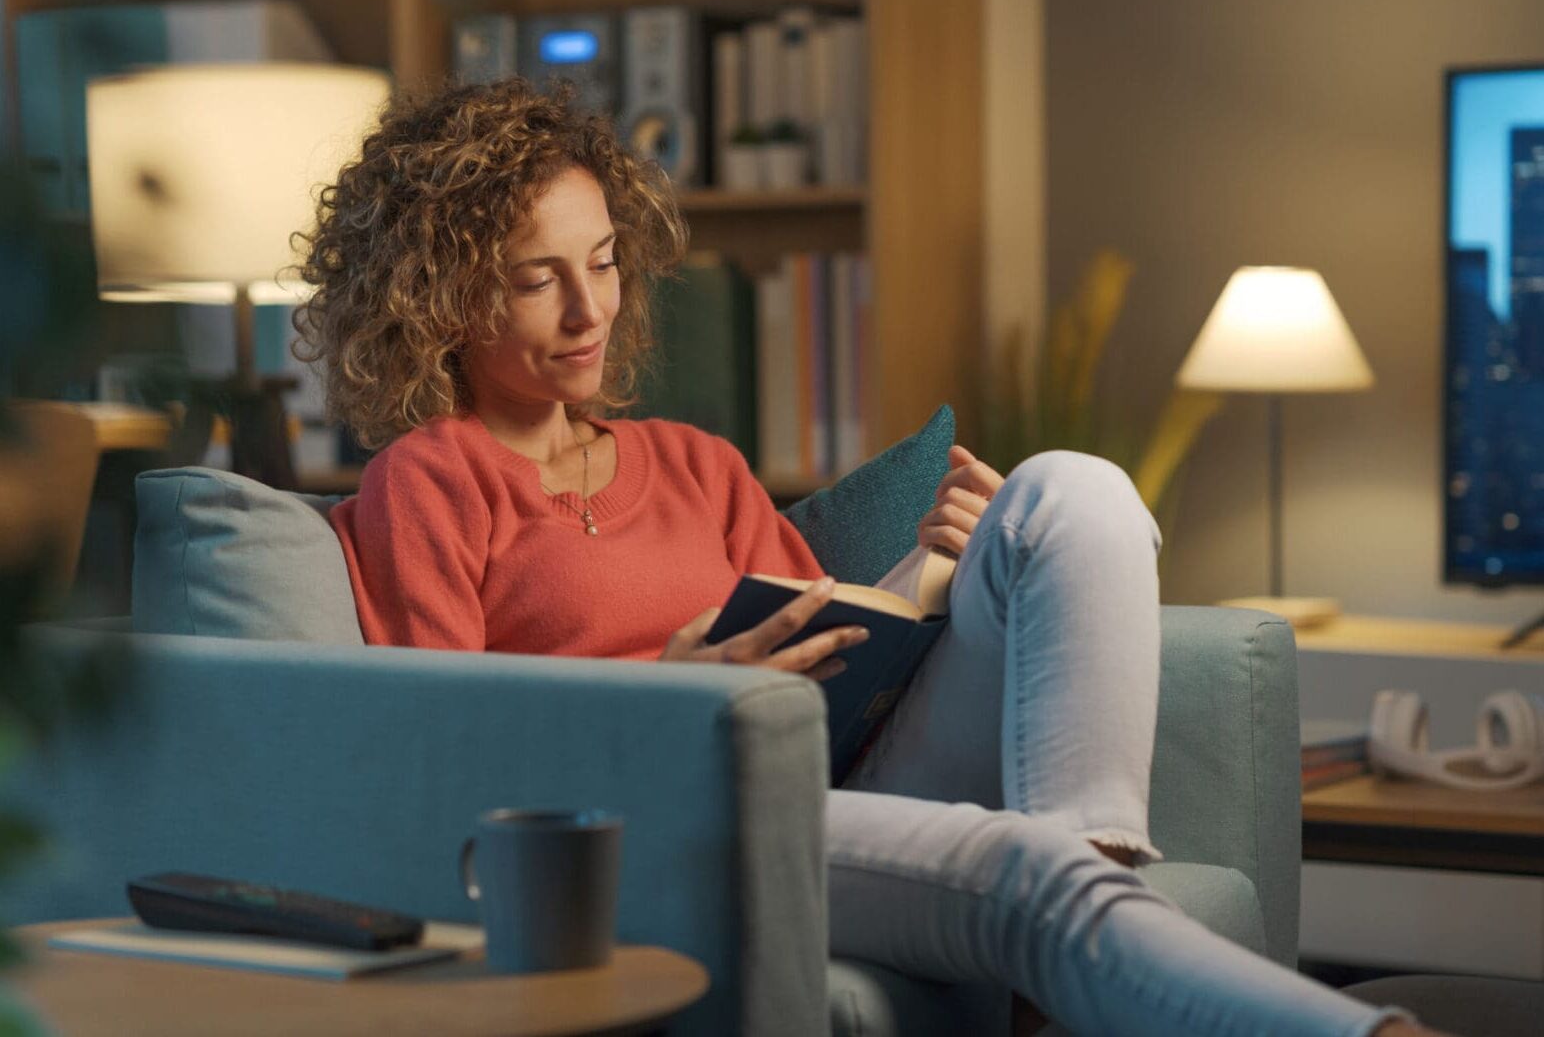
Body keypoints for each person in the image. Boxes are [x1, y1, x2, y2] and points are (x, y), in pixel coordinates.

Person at [296, 79, 1440, 1037]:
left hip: (833, 773)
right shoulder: (430, 480)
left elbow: (829, 631)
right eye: (536, 278)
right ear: (438, 301)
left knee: (1069, 492)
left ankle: (1083, 904)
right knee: (1018, 867)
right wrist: (665, 704)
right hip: (664, 818)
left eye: (600, 263)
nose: (588, 308)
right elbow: (440, 758)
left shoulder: (696, 463)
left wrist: (937, 573)